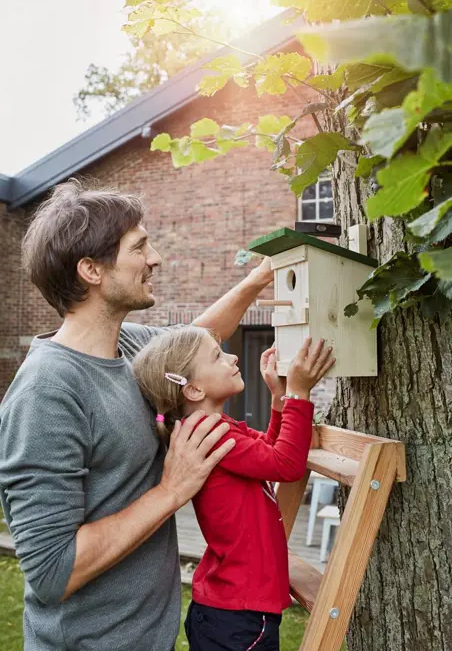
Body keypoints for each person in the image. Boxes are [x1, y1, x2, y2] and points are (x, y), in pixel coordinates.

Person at [0, 179, 276, 651]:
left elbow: (196, 339)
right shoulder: (48, 391)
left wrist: (257, 280)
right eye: (139, 247)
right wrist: (171, 490)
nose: (155, 259)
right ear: (91, 269)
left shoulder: (130, 349)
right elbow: (52, 571)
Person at [132, 326, 335, 651]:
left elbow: (269, 452)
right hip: (240, 617)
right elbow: (286, 464)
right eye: (217, 355)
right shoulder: (211, 433)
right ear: (194, 390)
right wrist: (299, 393)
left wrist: (280, 399)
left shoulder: (213, 430)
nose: (233, 357)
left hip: (228, 611)